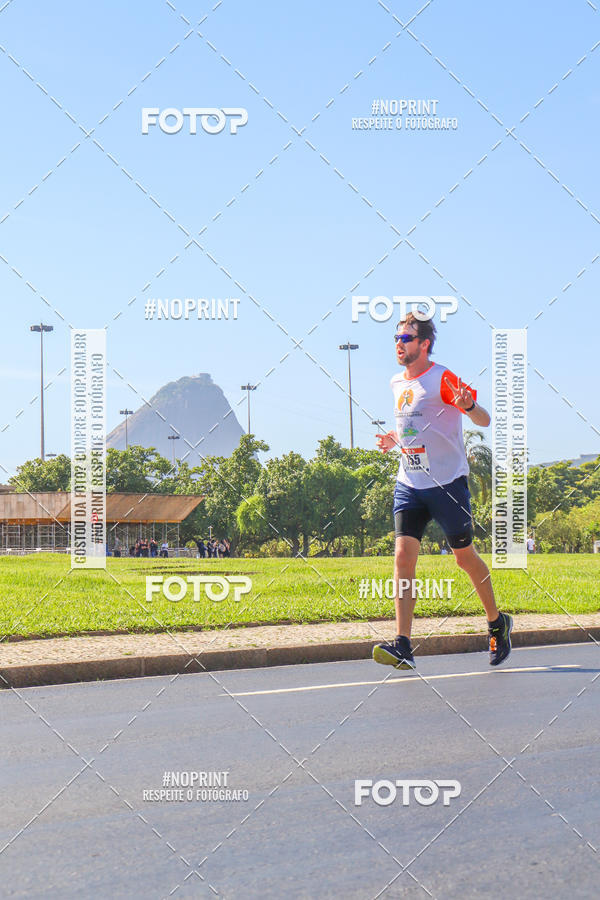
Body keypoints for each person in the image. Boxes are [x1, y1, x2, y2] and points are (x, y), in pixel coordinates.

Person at [373, 313, 513, 670]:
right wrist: (395, 439)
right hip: (409, 484)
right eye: (396, 338)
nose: (399, 344)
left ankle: (497, 622)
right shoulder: (395, 382)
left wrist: (467, 405)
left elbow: (483, 419)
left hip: (447, 485)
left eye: (406, 338)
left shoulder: (442, 379)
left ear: (424, 344)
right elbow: (411, 427)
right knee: (403, 556)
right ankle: (403, 643)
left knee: (464, 557)